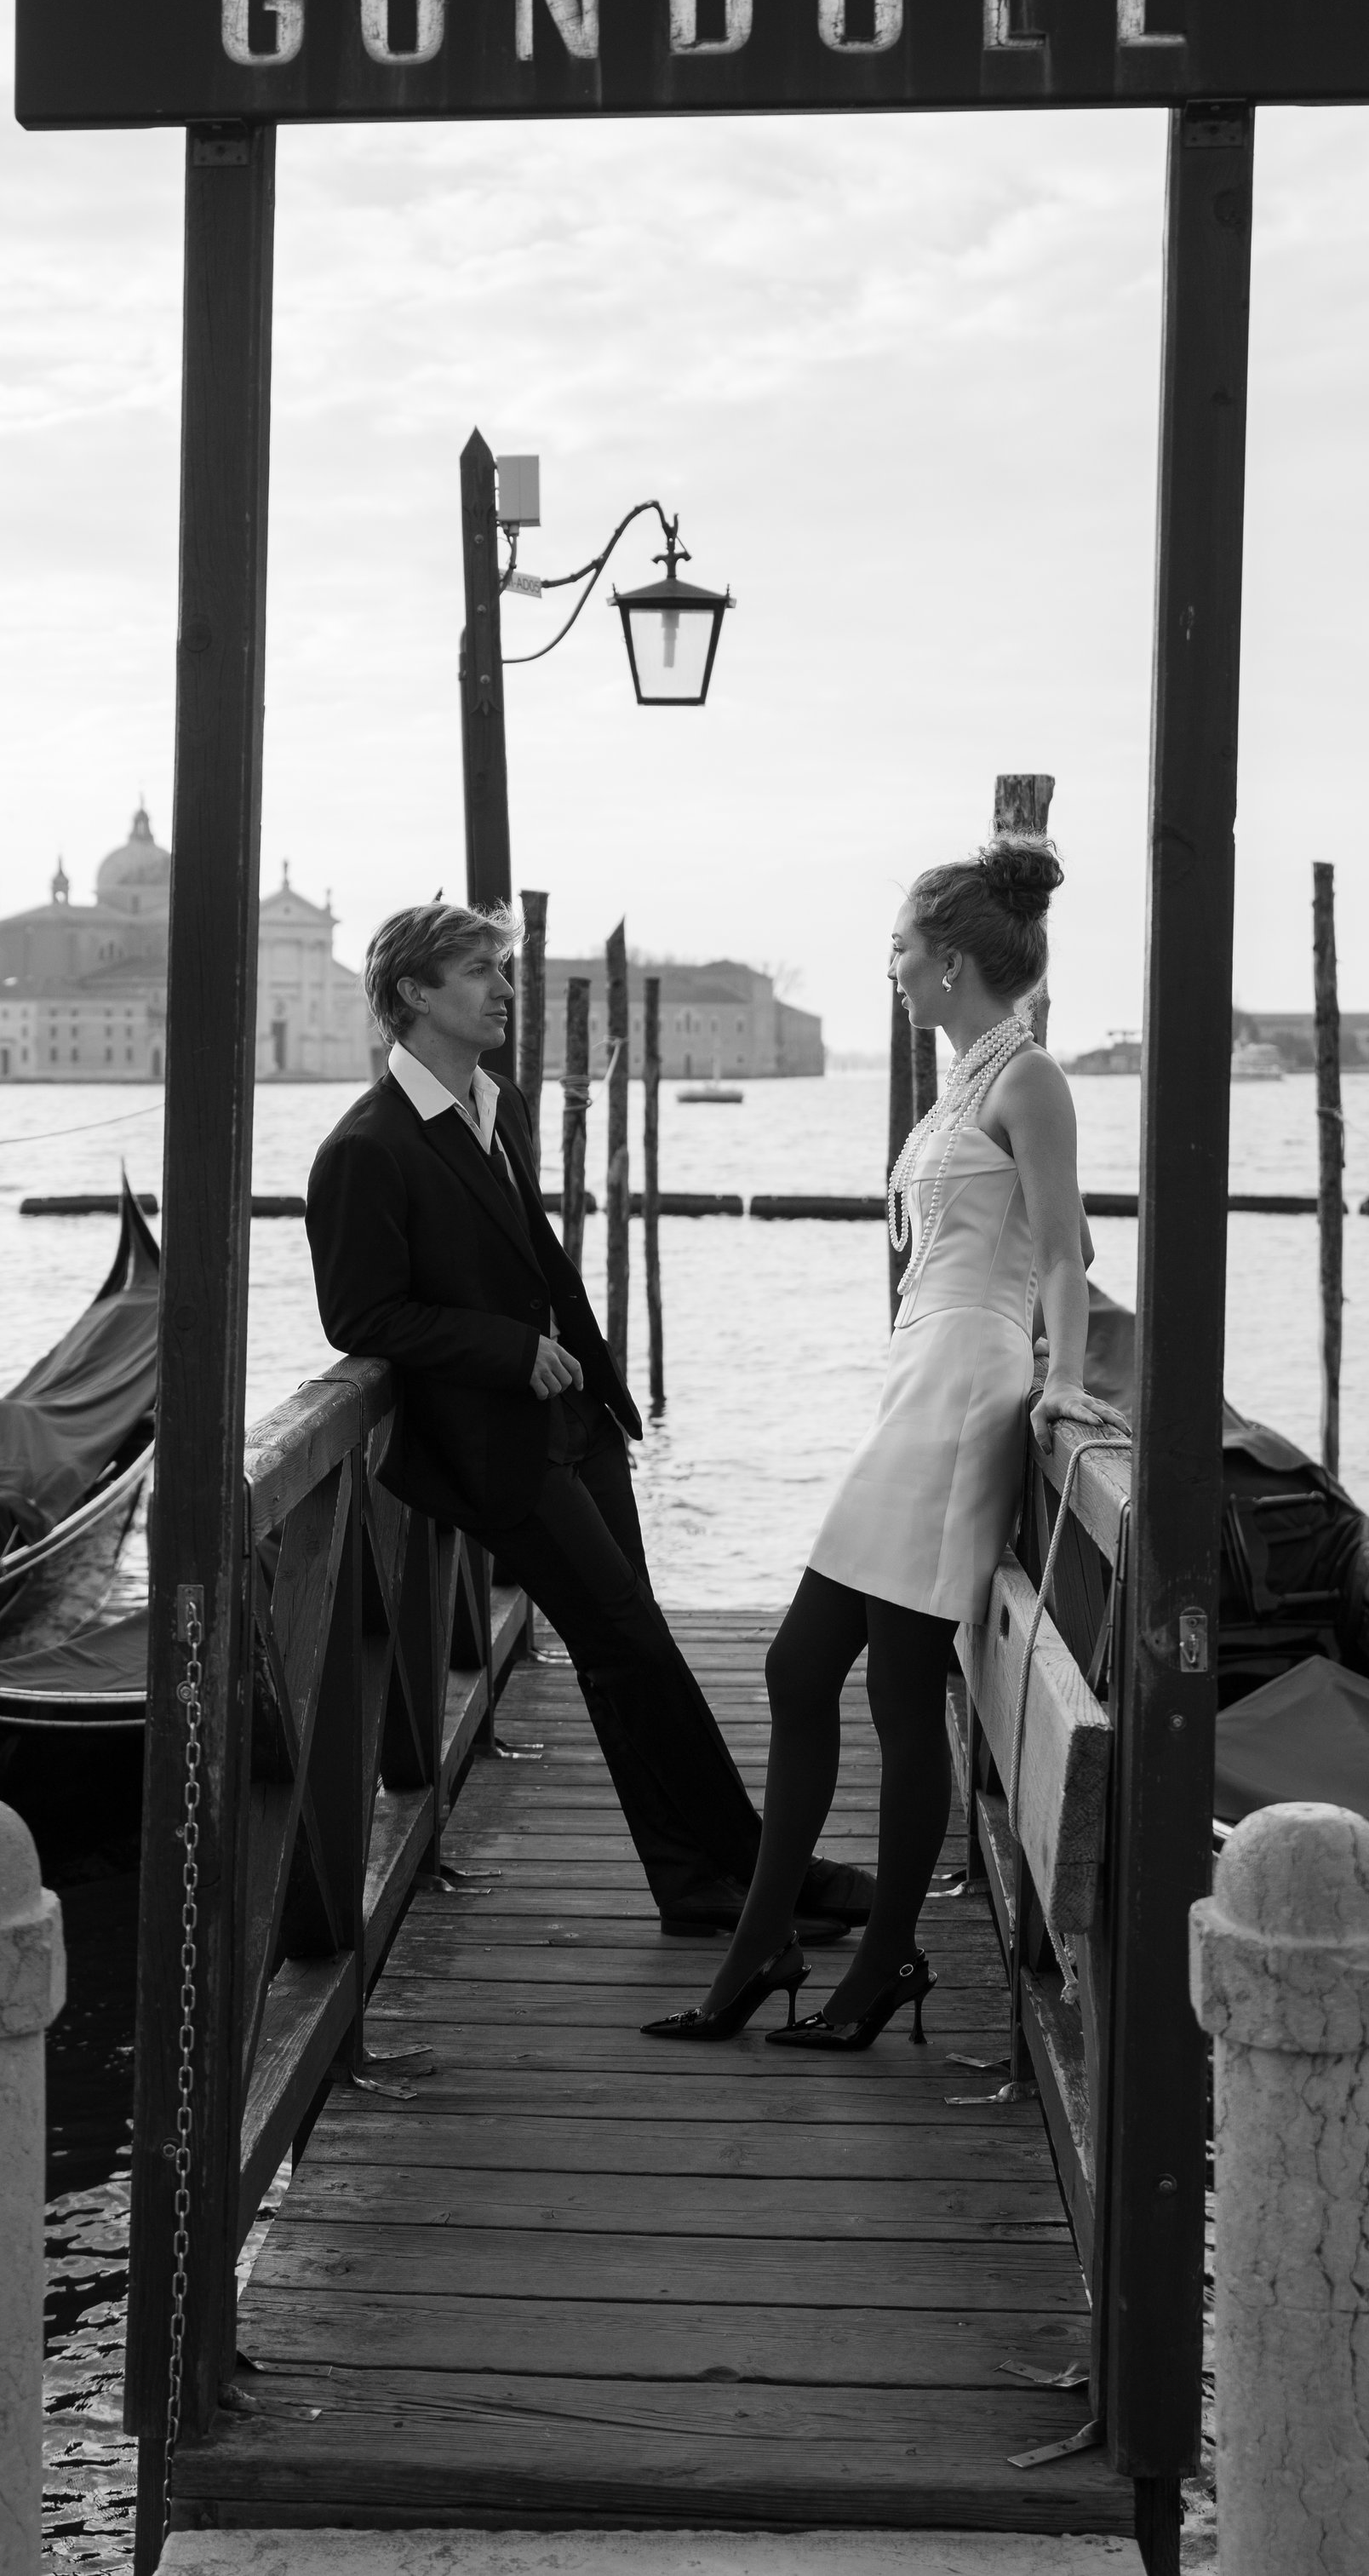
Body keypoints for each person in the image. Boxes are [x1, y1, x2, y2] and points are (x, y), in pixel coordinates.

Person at [305, 899, 874, 1941]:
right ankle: (753, 1874)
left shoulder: (498, 1105)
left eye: (502, 970)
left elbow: (532, 1256)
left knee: (633, 1647)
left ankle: (703, 1882)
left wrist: (585, 1376)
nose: (504, 990)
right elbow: (360, 1315)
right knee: (630, 1647)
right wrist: (507, 1350)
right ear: (412, 998)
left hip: (577, 1423)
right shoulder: (364, 1151)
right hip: (493, 1453)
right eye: (479, 973)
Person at [644, 835, 1096, 2047]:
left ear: (949, 961)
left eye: (901, 947)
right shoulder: (964, 1076)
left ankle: (874, 1961)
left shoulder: (1029, 1078)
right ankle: (771, 1944)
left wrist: (1069, 1384)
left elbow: (1065, 1252)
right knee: (807, 1671)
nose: (889, 966)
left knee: (892, 1686)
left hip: (966, 1386)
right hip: (921, 1378)